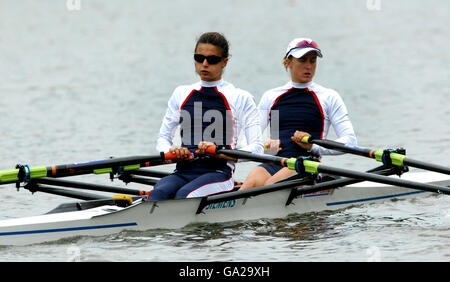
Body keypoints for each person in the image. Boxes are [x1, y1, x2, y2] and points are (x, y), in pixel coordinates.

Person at [147, 32, 263, 201]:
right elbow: (163, 139)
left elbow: (257, 148)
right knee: (157, 194)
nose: (205, 64)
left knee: (183, 196)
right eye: (199, 58)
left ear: (224, 62)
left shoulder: (240, 97)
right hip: (183, 171)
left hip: (219, 174)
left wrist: (220, 152)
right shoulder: (181, 93)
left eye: (212, 59)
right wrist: (172, 151)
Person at [239, 37, 357, 190]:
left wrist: (313, 146)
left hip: (306, 164)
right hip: (276, 162)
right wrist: (265, 147)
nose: (308, 66)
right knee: (250, 184)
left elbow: (350, 142)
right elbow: (246, 142)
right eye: (302, 60)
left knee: (269, 186)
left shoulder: (328, 97)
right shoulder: (271, 96)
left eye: (312, 60)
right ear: (288, 62)